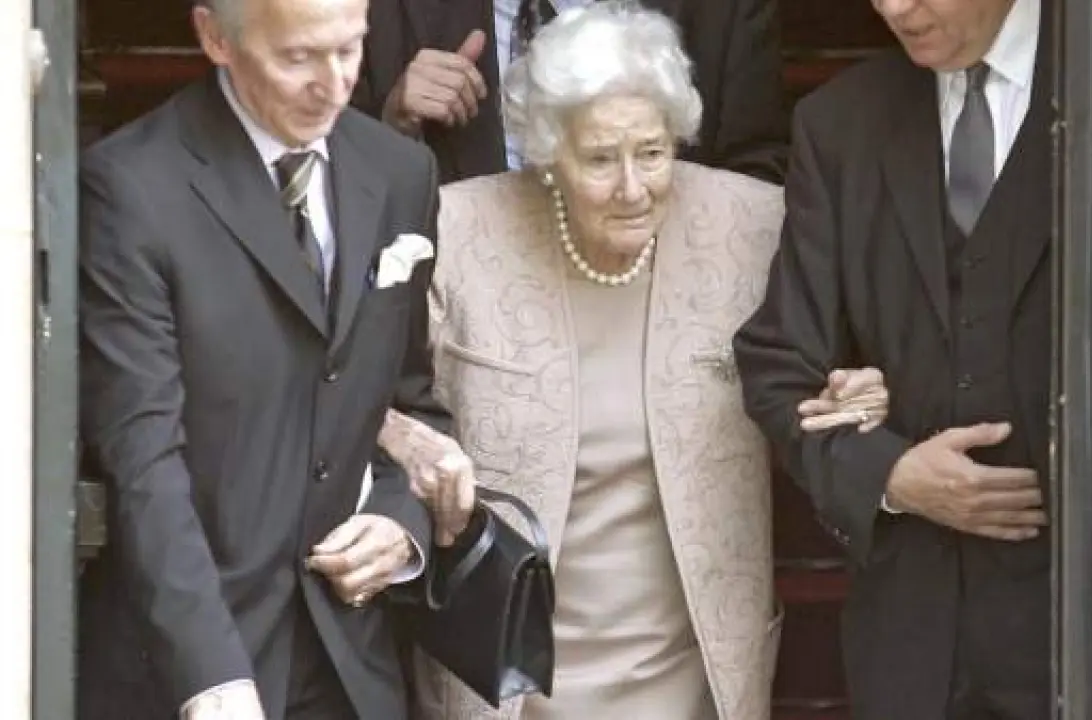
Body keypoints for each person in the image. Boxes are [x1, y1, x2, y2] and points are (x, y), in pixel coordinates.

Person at [372, 4, 887, 718]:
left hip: (692, 677)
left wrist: (862, 391)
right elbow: (370, 394)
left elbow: (842, 357)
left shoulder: (749, 226)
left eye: (651, 152)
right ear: (548, 151)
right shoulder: (457, 231)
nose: (632, 188)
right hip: (505, 684)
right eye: (599, 159)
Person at [74, 0, 449, 716]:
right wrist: (211, 679)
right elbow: (143, 460)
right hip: (189, 666)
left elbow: (409, 407)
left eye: (350, 49)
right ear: (214, 36)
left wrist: (402, 520)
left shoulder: (402, 171)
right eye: (298, 57)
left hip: (350, 668)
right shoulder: (129, 186)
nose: (333, 85)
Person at [733, 0, 1053, 717]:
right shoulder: (839, 123)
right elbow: (778, 362)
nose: (894, 8)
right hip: (911, 634)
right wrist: (889, 475)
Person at [352, 0, 789, 184]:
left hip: (657, 303)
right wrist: (393, 127)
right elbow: (329, 190)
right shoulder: (378, 13)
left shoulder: (721, 10)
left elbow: (760, 175)